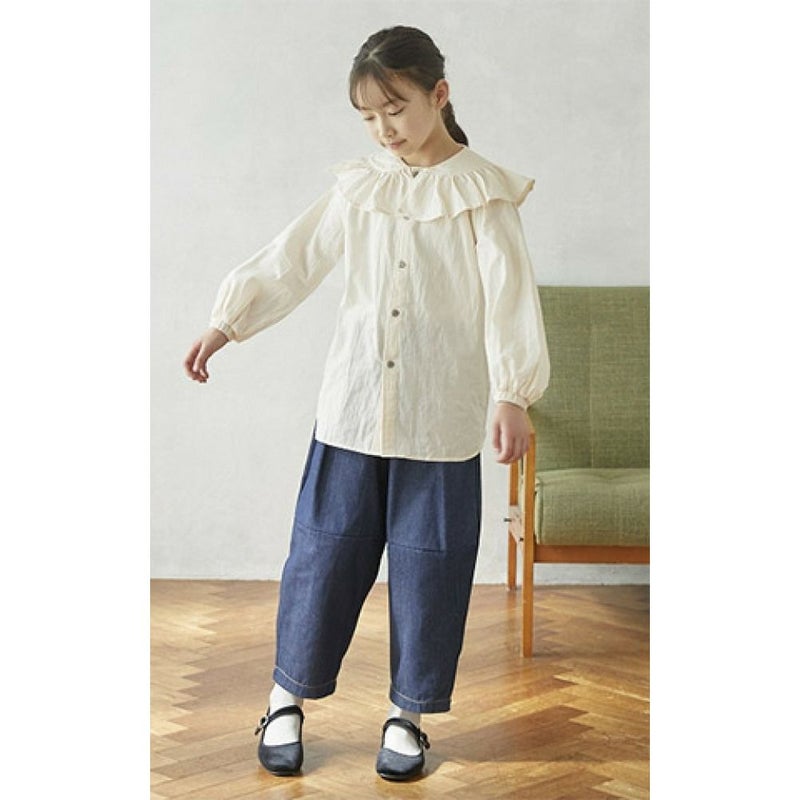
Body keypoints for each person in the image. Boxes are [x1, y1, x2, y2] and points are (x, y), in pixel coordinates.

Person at [183, 24, 549, 782]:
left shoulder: (484, 193)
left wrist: (513, 393)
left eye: (396, 108)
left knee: (431, 568)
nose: (384, 129)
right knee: (322, 557)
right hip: (351, 408)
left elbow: (510, 298)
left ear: (439, 95)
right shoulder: (360, 186)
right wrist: (227, 323)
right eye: (369, 116)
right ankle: (285, 699)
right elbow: (294, 259)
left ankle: (408, 715)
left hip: (440, 419)